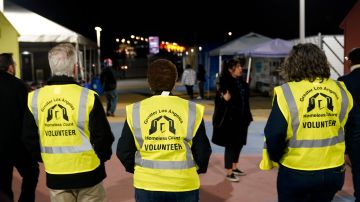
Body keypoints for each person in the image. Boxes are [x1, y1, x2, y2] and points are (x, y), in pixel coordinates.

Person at [262, 43, 360, 202]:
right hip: (333, 171)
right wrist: (344, 150)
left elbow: (274, 134)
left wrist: (277, 157)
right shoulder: (340, 89)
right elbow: (355, 128)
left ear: (292, 64)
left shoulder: (287, 91)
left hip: (296, 170)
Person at [22, 43, 114, 202]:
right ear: (75, 68)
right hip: (89, 172)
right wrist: (100, 158)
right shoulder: (88, 97)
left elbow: (28, 138)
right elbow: (103, 137)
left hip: (56, 173)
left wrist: (44, 157)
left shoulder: (34, 98)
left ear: (51, 67)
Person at [116, 59, 211, 202]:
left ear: (149, 82)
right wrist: (193, 169)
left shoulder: (136, 110)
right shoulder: (191, 110)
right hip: (183, 184)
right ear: (175, 81)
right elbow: (203, 151)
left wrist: (139, 170)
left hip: (147, 185)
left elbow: (123, 151)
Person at [0, 53, 39, 202]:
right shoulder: (19, 85)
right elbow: (30, 116)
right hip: (17, 143)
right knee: (31, 172)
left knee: (3, 183)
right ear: (10, 67)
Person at [211, 57, 253, 182]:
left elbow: (245, 102)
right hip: (230, 120)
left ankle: (235, 167)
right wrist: (224, 99)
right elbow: (218, 103)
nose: (241, 68)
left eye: (241, 66)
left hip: (242, 119)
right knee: (230, 145)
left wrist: (248, 116)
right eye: (238, 67)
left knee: (239, 143)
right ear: (230, 69)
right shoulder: (224, 84)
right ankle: (229, 172)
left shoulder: (242, 83)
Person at [338, 47, 360, 201]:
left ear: (350, 62)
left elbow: (340, 114)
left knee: (358, 170)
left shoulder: (343, 82)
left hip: (355, 136)